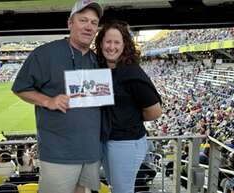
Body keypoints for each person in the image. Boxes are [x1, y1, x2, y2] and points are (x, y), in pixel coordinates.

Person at [11, 1, 103, 192]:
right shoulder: (45, 54)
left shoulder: (97, 59)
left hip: (91, 153)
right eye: (83, 20)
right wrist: (48, 100)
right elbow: (20, 87)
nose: (89, 26)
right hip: (58, 154)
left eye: (94, 23)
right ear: (70, 23)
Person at [95, 20, 162, 193]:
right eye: (108, 41)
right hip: (108, 140)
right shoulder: (103, 69)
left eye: (117, 42)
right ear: (101, 43)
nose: (111, 46)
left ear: (124, 45)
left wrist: (127, 118)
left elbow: (154, 111)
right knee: (116, 188)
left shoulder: (131, 73)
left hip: (125, 142)